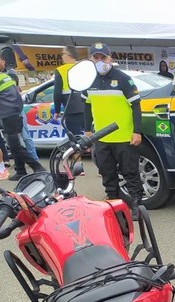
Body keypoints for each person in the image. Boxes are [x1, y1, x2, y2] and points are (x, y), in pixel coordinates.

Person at [82, 42, 144, 220]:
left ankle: (136, 205)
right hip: (101, 137)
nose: (100, 60)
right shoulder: (88, 81)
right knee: (107, 173)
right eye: (96, 57)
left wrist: (137, 131)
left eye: (103, 57)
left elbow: (136, 105)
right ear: (91, 59)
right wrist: (87, 131)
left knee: (130, 173)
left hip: (125, 136)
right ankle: (114, 204)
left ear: (110, 58)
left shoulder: (123, 79)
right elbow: (86, 107)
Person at [0, 56, 45, 181]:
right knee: (14, 144)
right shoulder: (2, 76)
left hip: (8, 114)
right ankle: (21, 171)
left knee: (15, 145)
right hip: (15, 112)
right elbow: (16, 92)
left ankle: (37, 167)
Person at [0, 50, 39, 164]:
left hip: (16, 111)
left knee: (25, 137)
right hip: (3, 113)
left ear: (3, 61)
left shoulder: (10, 73)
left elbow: (5, 91)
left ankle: (35, 161)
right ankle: (19, 164)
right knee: (11, 140)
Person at [53, 46, 85, 135]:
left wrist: (57, 111)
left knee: (76, 139)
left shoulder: (61, 70)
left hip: (71, 109)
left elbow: (57, 93)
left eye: (63, 54)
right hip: (87, 108)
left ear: (69, 54)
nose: (62, 56)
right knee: (89, 138)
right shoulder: (84, 68)